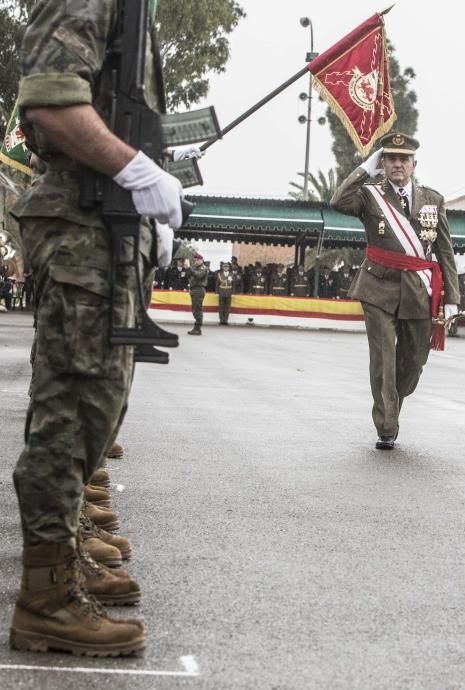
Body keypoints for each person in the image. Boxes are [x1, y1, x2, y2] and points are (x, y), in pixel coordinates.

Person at [7, 0, 190, 656]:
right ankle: (48, 598)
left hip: (105, 225)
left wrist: (147, 208)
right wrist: (133, 171)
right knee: (71, 414)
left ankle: (61, 570)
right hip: (84, 222)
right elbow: (51, 102)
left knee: (94, 411)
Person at [331, 132, 460, 450]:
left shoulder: (433, 199)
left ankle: (393, 404)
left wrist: (452, 298)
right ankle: (387, 425)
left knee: (413, 361)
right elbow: (337, 201)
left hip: (418, 290)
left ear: (415, 164)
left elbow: (444, 251)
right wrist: (365, 167)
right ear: (383, 163)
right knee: (384, 358)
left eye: (403, 159)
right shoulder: (369, 195)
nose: (397, 164)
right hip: (378, 286)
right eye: (390, 158)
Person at [187, 253, 208, 336]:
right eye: (195, 260)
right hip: (194, 289)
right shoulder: (195, 268)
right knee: (195, 309)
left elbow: (198, 276)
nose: (195, 261)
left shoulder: (203, 268)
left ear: (202, 260)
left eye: (197, 260)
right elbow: (189, 276)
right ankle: (196, 327)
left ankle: (198, 327)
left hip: (199, 290)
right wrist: (188, 269)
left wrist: (190, 268)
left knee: (197, 309)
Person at [216, 261, 235, 325]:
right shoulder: (219, 274)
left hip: (229, 291)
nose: (226, 268)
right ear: (223, 268)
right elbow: (217, 284)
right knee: (221, 307)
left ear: (229, 268)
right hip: (221, 291)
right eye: (225, 267)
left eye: (227, 267)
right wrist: (217, 292)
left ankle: (226, 320)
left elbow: (233, 284)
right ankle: (221, 320)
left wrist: (233, 293)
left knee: (227, 307)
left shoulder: (231, 274)